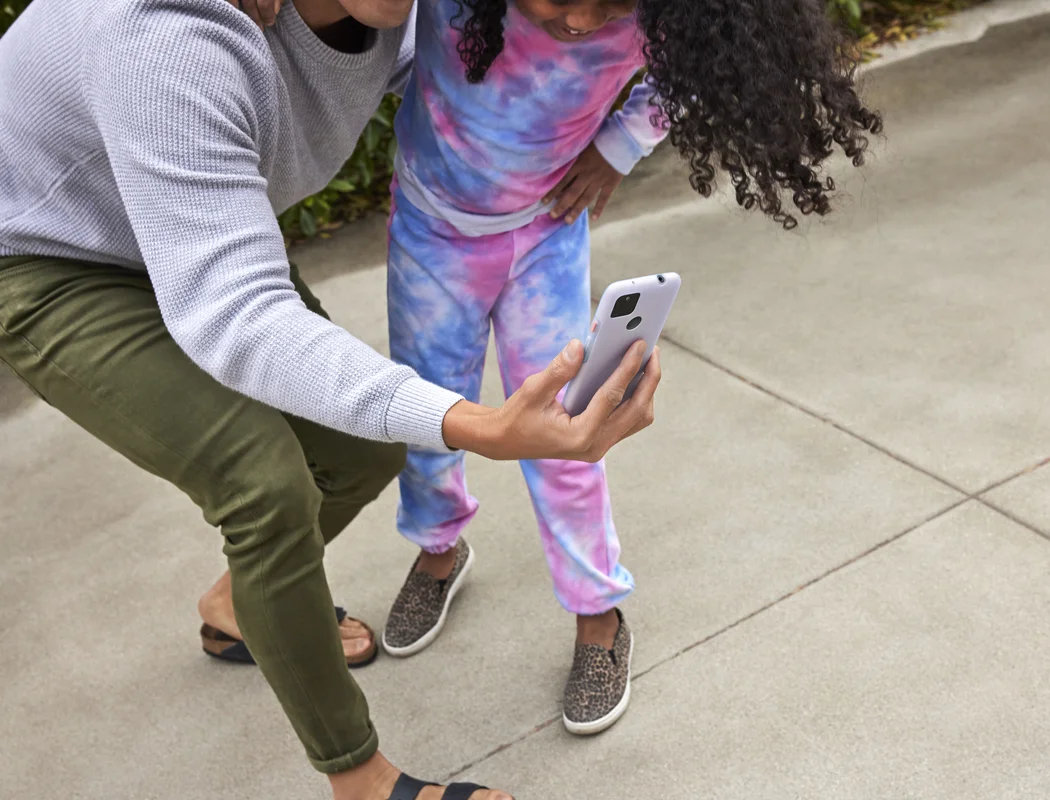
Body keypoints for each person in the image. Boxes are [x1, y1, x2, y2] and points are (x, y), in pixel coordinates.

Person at [0, 0, 660, 797]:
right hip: (44, 255)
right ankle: (363, 780)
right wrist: (480, 424)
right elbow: (236, 313)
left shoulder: (407, 16)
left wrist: (612, 142)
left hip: (178, 223)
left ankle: (237, 602)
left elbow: (486, 85)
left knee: (366, 445)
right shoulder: (168, 34)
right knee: (265, 485)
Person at [240, 0, 883, 737]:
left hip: (546, 240)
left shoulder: (664, 14)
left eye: (607, 3)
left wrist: (621, 143)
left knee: (572, 429)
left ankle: (597, 611)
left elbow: (699, 75)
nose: (580, 21)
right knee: (428, 413)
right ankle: (439, 548)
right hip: (430, 236)